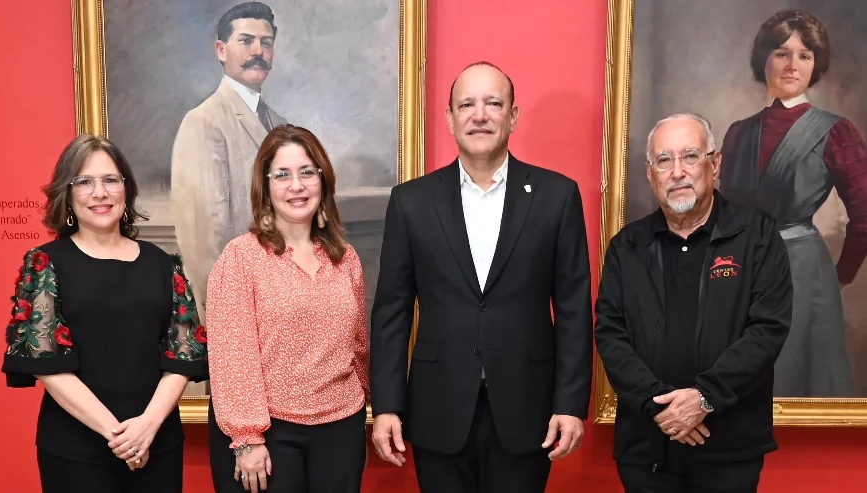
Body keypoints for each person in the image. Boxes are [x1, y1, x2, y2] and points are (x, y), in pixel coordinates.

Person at [370, 61, 593, 493]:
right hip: (438, 408)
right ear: (450, 118)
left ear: (512, 115)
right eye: (467, 104)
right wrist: (387, 405)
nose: (480, 114)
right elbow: (392, 312)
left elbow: (572, 309)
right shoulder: (411, 201)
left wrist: (570, 404)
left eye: (494, 103)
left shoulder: (556, 196)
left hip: (529, 408)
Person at [595, 113, 792, 492]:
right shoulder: (627, 247)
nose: (677, 172)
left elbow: (767, 330)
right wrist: (661, 409)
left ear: (714, 164)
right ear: (650, 174)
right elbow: (610, 335)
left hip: (730, 447)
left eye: (690, 156)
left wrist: (705, 397)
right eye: (664, 161)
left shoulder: (757, 237)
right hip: (647, 447)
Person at [1, 134, 209, 492]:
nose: (100, 192)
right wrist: (120, 436)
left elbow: (183, 355)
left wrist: (146, 428)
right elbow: (49, 365)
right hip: (76, 452)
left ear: (125, 190)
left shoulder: (163, 264)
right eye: (85, 182)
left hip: (157, 442)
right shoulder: (45, 263)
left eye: (111, 180)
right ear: (67, 194)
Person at [205, 124, 370, 493]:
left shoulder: (346, 259)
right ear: (266, 186)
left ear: (323, 181)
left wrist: (370, 403)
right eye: (282, 175)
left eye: (307, 173)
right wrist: (248, 438)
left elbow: (358, 345)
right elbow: (233, 357)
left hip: (342, 429)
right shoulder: (241, 258)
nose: (296, 186)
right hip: (270, 436)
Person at [719, 9, 867, 398]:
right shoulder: (738, 133)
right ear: (764, 58)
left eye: (805, 55)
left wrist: (837, 277)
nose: (792, 65)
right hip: (739, 271)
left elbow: (865, 217)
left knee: (799, 379)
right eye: (782, 52)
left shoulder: (836, 131)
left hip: (805, 274)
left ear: (816, 64)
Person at [170, 1, 289, 321]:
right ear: (221, 50)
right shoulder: (204, 123)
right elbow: (203, 239)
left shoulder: (281, 126)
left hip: (286, 304)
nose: (258, 51)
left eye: (266, 43)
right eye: (246, 40)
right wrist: (226, 320)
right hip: (238, 310)